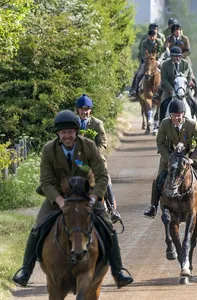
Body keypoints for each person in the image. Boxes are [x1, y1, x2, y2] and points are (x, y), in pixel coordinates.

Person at [12, 110, 133, 288]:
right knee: (37, 228)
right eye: (63, 132)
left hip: (86, 196)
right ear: (58, 134)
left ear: (76, 132)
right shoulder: (48, 150)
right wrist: (60, 201)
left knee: (108, 227)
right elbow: (46, 182)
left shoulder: (89, 146)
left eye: (70, 132)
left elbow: (102, 176)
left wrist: (94, 197)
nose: (67, 136)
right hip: (59, 197)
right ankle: (25, 271)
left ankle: (118, 271)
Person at [143, 100, 197, 218]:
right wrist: (168, 159)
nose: (176, 118)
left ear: (183, 114)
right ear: (170, 115)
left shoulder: (192, 124)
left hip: (190, 156)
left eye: (179, 115)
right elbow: (160, 142)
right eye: (174, 115)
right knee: (158, 179)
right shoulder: (164, 124)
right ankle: (153, 206)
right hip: (170, 157)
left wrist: (193, 159)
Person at [76, 94, 122, 223]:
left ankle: (112, 210)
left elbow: (103, 143)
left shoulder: (97, 123)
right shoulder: (72, 124)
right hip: (77, 161)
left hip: (95, 161)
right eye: (82, 109)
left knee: (105, 180)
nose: (84, 112)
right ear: (78, 110)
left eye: (87, 109)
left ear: (90, 110)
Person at [160, 46, 197, 126]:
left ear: (180, 56)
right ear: (171, 56)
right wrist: (171, 90)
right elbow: (164, 79)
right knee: (163, 103)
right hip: (170, 88)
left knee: (192, 101)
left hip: (184, 88)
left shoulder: (186, 63)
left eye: (178, 56)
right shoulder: (165, 64)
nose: (176, 58)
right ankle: (161, 122)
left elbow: (190, 76)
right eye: (174, 56)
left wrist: (185, 88)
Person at [164, 23, 197, 101]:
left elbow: (188, 51)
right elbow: (163, 50)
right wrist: (166, 47)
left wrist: (179, 56)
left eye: (179, 30)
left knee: (192, 75)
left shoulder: (185, 38)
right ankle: (159, 93)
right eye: (176, 30)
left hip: (184, 59)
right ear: (173, 32)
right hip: (171, 59)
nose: (178, 32)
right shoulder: (168, 38)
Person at [130, 28, 164, 98]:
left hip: (157, 61)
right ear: (148, 36)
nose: (152, 37)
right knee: (139, 74)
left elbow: (162, 52)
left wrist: (159, 60)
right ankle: (135, 90)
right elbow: (143, 54)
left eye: (153, 36)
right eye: (150, 36)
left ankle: (165, 91)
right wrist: (148, 61)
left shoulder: (159, 41)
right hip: (147, 61)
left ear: (155, 36)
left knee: (165, 72)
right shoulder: (144, 43)